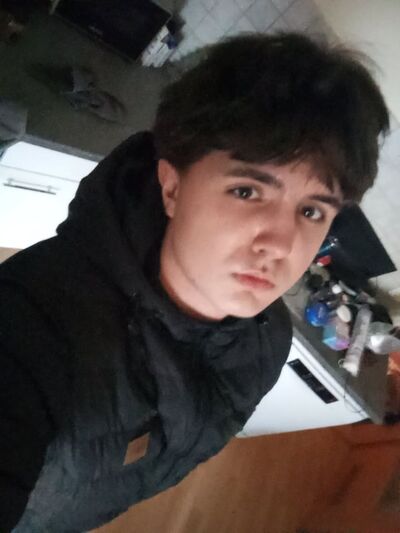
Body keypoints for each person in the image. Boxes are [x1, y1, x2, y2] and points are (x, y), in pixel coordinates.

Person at [0, 32, 389, 532]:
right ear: (172, 186)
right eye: (247, 191)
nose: (280, 244)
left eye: (312, 211)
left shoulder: (267, 338)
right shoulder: (31, 325)